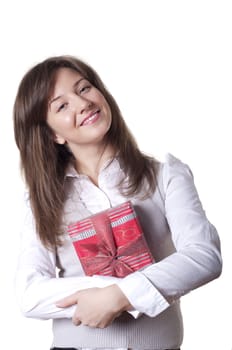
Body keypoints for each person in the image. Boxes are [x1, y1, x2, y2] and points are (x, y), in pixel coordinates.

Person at [13, 55, 222, 350]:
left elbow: (203, 256)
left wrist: (120, 297)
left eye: (84, 88)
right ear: (53, 134)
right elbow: (29, 294)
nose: (82, 103)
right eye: (62, 105)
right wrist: (106, 291)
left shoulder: (165, 175)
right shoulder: (42, 201)